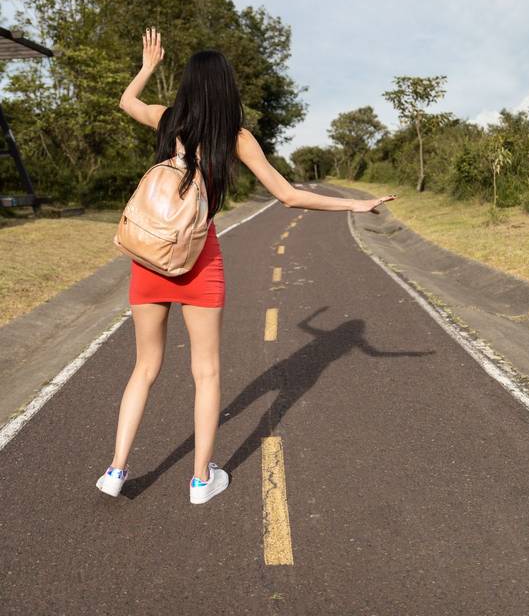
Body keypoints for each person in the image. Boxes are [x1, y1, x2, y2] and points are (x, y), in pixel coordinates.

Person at [96, 27, 397, 503]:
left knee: (145, 367)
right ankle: (200, 480)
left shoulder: (166, 119)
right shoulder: (234, 138)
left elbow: (126, 101)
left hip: (150, 258)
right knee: (206, 372)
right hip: (198, 262)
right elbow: (289, 196)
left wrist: (148, 67)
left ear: (189, 86)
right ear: (226, 88)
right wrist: (353, 207)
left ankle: (115, 470)